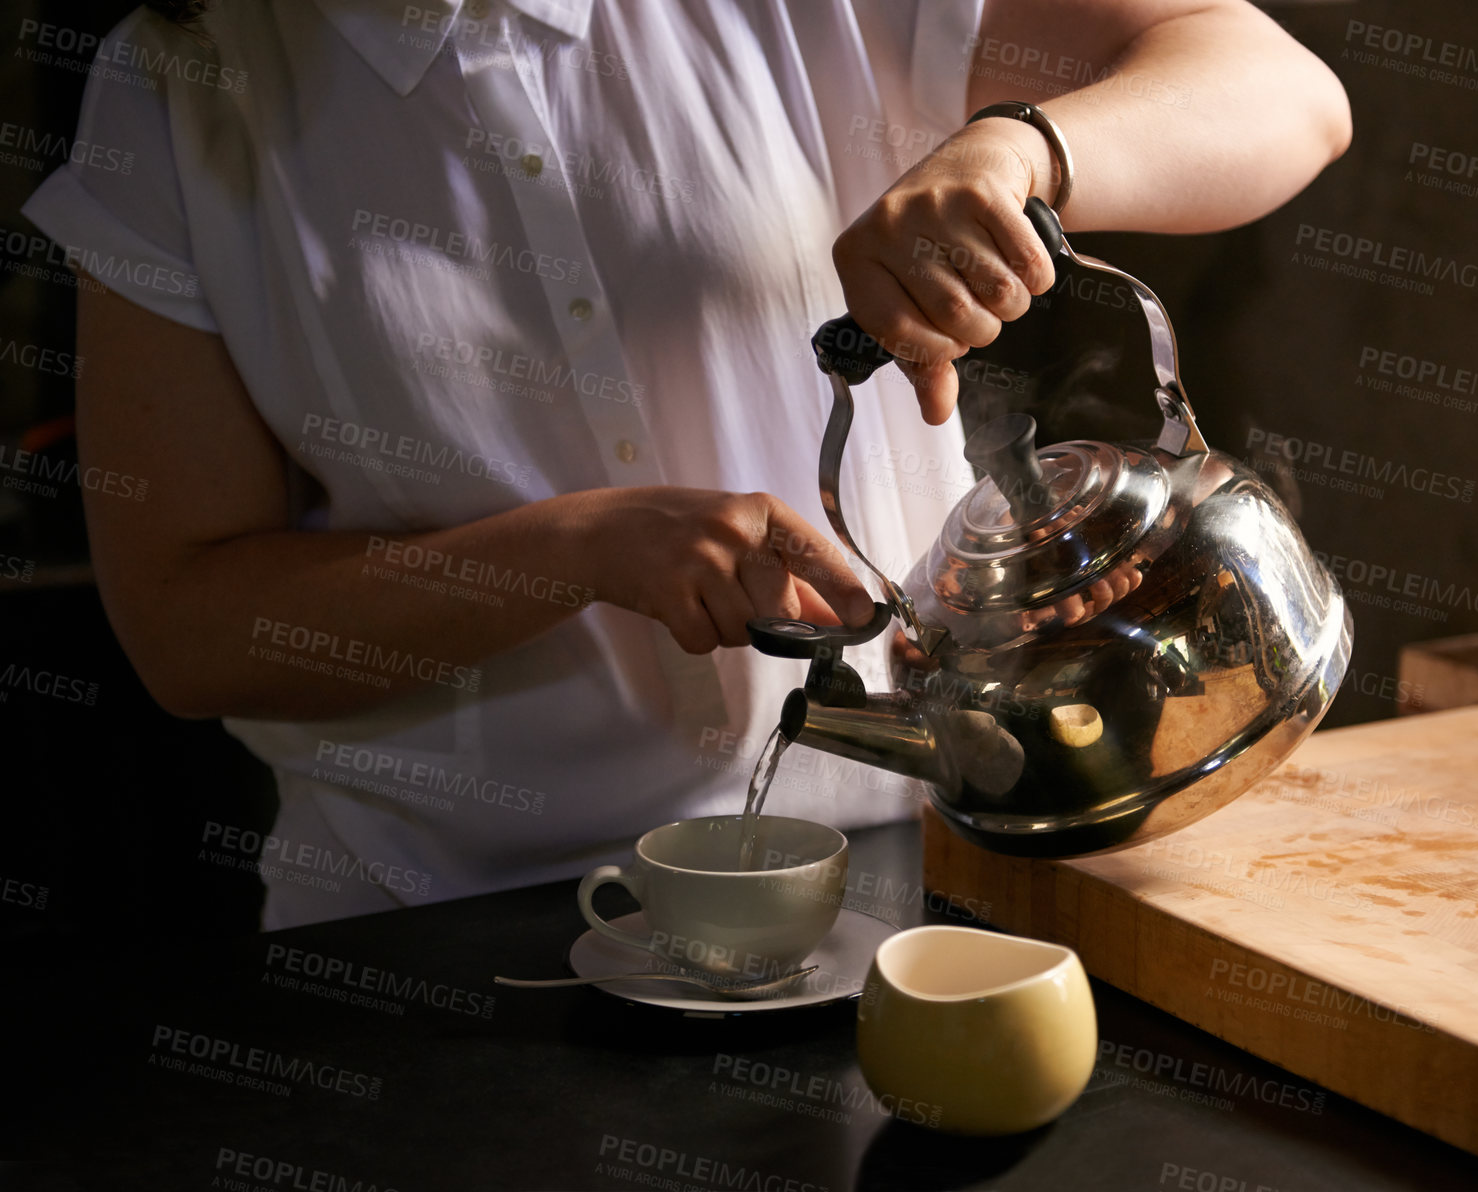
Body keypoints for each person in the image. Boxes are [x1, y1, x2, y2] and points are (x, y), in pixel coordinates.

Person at [24, 0, 1350, 928]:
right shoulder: (175, 79)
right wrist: (573, 550)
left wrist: (1018, 151)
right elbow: (189, 630)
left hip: (920, 882)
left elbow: (1282, 89)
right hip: (427, 930)